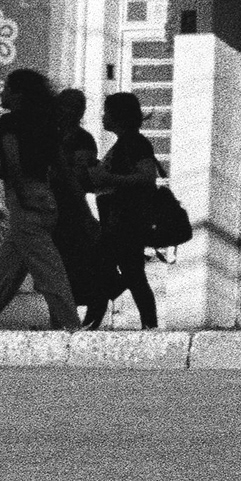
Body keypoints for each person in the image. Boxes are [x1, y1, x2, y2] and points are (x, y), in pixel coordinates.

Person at [0, 68, 78, 330]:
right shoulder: (46, 124)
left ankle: (71, 326)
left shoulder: (10, 122)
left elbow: (13, 159)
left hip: (24, 198)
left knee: (48, 270)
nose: (2, 93)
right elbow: (61, 167)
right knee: (4, 272)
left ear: (19, 94)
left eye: (6, 88)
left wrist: (22, 194)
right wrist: (79, 207)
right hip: (43, 195)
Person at [94, 91, 166, 332]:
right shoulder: (124, 143)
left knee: (116, 271)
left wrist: (108, 177)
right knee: (128, 273)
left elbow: (146, 177)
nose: (103, 117)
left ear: (119, 116)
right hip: (117, 220)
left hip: (126, 221)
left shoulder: (135, 143)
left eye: (107, 112)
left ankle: (95, 319)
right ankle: (148, 324)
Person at [54, 86, 115, 323]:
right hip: (58, 208)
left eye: (71, 108)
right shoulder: (58, 137)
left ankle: (85, 319)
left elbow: (80, 178)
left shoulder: (81, 139)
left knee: (79, 265)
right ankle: (64, 319)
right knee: (61, 267)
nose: (65, 112)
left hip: (72, 210)